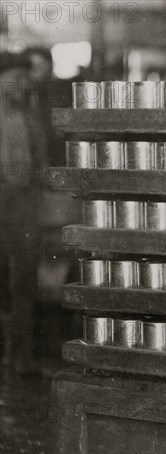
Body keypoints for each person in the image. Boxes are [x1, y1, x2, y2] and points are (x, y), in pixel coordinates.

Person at [0, 52, 45, 374]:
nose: (21, 84)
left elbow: (38, 159)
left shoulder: (28, 115)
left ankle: (21, 358)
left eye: (24, 79)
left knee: (24, 283)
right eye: (15, 78)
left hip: (24, 205)